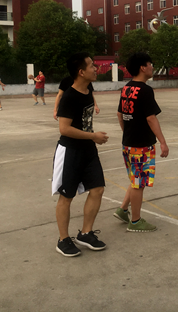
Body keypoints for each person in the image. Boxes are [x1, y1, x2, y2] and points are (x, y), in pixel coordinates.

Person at [52, 52, 109, 257]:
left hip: (88, 150)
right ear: (81, 72)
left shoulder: (88, 90)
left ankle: (85, 233)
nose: (96, 68)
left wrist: (91, 139)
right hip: (70, 151)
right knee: (66, 196)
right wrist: (93, 136)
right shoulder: (69, 96)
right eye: (92, 66)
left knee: (98, 189)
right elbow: (64, 129)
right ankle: (63, 239)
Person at [115, 52, 169, 232]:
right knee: (138, 183)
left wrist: (128, 132)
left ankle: (123, 209)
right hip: (141, 145)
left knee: (135, 179)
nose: (152, 67)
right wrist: (162, 142)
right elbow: (151, 118)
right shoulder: (145, 90)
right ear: (142, 68)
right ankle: (135, 221)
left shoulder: (126, 88)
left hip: (129, 142)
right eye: (150, 64)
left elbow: (120, 114)